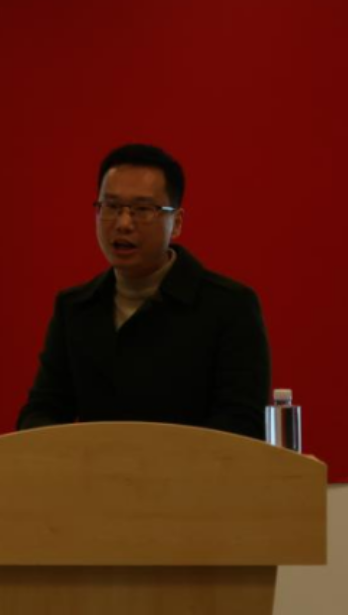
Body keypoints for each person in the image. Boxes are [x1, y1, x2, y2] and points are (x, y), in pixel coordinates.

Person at [17, 144, 270, 439]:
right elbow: (42, 410)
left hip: (193, 468)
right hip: (95, 468)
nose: (124, 223)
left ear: (176, 223)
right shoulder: (74, 308)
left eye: (142, 210)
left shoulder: (229, 306)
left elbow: (241, 423)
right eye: (111, 207)